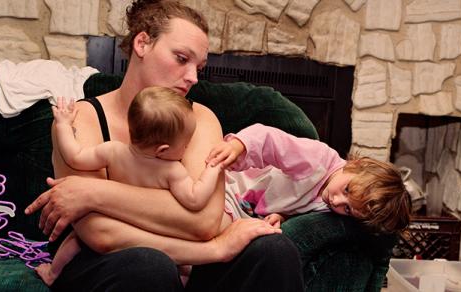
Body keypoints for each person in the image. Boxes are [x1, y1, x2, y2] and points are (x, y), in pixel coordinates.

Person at [24, 1, 303, 291]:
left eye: (200, 67)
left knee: (273, 249)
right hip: (107, 265)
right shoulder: (83, 118)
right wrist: (215, 248)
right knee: (148, 265)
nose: (193, 77)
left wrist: (94, 192)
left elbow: (204, 222)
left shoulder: (201, 119)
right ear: (142, 43)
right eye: (182, 58)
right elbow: (100, 233)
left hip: (189, 266)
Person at [35, 87, 223, 285]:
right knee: (184, 266)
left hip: (118, 222)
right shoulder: (172, 171)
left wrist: (63, 126)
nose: (186, 148)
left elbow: (75, 157)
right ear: (163, 149)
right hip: (153, 230)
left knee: (75, 241)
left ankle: (52, 274)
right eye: (185, 144)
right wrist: (213, 169)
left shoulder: (113, 151)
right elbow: (195, 199)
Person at [206, 123, 412, 234]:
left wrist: (284, 216)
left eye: (348, 209)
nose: (337, 201)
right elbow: (270, 140)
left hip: (246, 210)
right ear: (355, 166)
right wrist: (238, 146)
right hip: (235, 184)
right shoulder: (317, 160)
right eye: (347, 190)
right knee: (210, 221)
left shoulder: (331, 208)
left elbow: (300, 208)